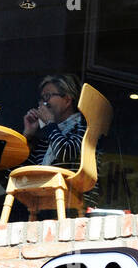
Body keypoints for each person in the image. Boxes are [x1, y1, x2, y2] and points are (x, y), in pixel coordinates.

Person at [13, 72, 97, 215]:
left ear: (67, 100)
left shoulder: (83, 126)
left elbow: (66, 153)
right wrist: (28, 135)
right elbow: (15, 177)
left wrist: (50, 124)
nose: (43, 103)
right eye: (42, 98)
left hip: (73, 205)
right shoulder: (46, 136)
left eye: (48, 96)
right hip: (41, 205)